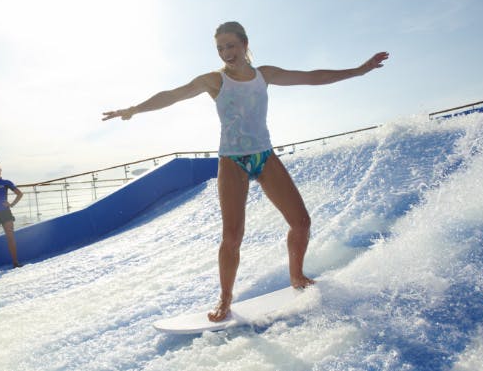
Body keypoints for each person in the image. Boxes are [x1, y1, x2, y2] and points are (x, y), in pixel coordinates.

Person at [102, 21, 388, 322]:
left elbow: (312, 77)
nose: (226, 53)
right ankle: (225, 298)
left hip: (264, 156)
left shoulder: (265, 75)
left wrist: (359, 70)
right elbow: (173, 94)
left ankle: (297, 277)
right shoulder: (214, 80)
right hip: (232, 161)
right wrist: (133, 108)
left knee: (301, 223)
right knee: (233, 235)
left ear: (245, 44)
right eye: (221, 48)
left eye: (231, 45)